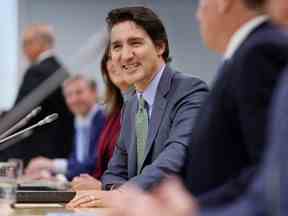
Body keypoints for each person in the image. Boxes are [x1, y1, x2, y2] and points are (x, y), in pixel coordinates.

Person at [67, 6, 208, 208]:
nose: (125, 55)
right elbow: (113, 173)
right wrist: (120, 195)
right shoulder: (132, 104)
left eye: (135, 43)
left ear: (160, 47)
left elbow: (174, 160)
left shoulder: (190, 91)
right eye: (116, 47)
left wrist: (122, 195)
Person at [182, 0, 288, 206]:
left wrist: (195, 208)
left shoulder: (259, 52)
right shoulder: (245, 55)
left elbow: (268, 168)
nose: (197, 15)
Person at [0, 24, 74, 165]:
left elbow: (20, 114)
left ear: (40, 43)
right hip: (59, 148)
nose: (23, 50)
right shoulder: (61, 69)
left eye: (25, 44)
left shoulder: (37, 71)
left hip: (37, 152)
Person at [71, 47, 130, 191]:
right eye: (108, 58)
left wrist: (102, 187)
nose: (113, 63)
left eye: (78, 92)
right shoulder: (114, 114)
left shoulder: (103, 117)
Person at [25, 75, 106, 180]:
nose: (74, 99)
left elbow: (93, 166)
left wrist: (51, 165)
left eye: (79, 92)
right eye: (69, 95)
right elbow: (77, 162)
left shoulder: (105, 119)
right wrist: (50, 174)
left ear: (94, 92)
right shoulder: (79, 120)